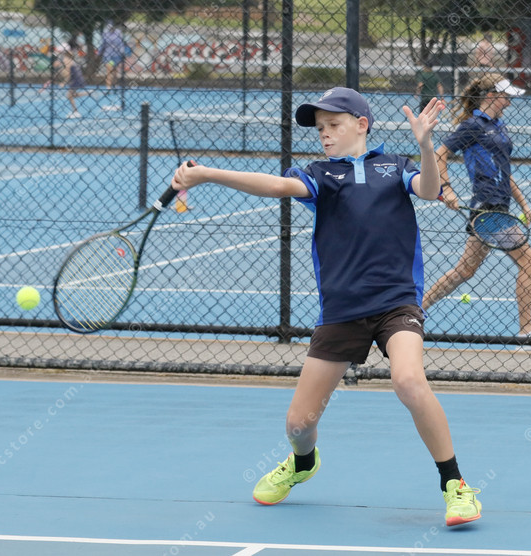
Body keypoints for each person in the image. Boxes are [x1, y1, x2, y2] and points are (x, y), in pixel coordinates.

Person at [171, 87, 482, 527]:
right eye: (320, 128)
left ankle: (455, 484)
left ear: (361, 124)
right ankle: (303, 463)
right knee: (299, 425)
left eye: (333, 125)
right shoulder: (320, 174)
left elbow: (430, 190)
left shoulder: (395, 167)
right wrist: (207, 174)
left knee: (409, 380)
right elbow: (277, 185)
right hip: (341, 310)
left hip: (396, 302)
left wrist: (426, 145)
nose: (325, 134)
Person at [422, 74, 531, 338]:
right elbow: (440, 154)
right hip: (487, 207)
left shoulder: (499, 126)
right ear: (491, 96)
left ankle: (416, 310)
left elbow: (505, 172)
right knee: (529, 262)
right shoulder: (473, 126)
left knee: (465, 270)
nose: (509, 102)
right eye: (505, 97)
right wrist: (447, 189)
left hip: (499, 207)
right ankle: (526, 330)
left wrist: (525, 205)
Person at [57, 40, 87, 119]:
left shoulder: (66, 59)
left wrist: (64, 82)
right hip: (76, 76)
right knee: (71, 95)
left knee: (69, 95)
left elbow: (68, 73)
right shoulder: (68, 58)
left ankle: (76, 112)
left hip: (75, 77)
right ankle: (88, 93)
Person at [99, 22, 128, 90]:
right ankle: (108, 87)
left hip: (116, 55)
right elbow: (103, 44)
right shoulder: (105, 33)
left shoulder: (118, 33)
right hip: (108, 55)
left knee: (115, 71)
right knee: (109, 70)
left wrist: (122, 53)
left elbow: (121, 44)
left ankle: (115, 85)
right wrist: (99, 53)